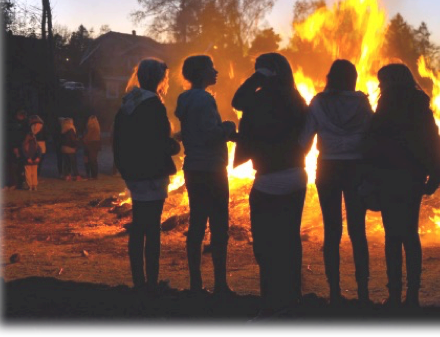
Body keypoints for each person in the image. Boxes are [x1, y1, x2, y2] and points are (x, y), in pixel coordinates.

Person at [232, 53, 310, 327]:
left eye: (259, 69)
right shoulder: (296, 98)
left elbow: (236, 101)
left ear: (266, 73)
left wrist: (256, 78)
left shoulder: (260, 98)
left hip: (269, 180)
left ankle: (271, 305)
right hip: (296, 176)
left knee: (266, 246)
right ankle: (291, 299)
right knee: (289, 240)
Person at [363, 63, 440, 308]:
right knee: (410, 234)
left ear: (389, 82)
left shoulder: (385, 106)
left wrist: (370, 178)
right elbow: (434, 142)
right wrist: (435, 175)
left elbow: (373, 145)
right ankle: (412, 295)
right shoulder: (420, 105)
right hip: (413, 178)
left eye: (382, 81)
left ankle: (395, 293)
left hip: (388, 178)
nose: (379, 86)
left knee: (392, 236)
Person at [299, 59, 374, 305]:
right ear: (353, 77)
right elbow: (372, 133)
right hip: (356, 167)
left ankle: (334, 292)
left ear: (330, 77)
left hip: (328, 167)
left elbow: (305, 139)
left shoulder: (318, 102)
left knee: (332, 231)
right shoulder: (362, 102)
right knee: (357, 231)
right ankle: (363, 291)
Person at [113, 58, 180, 292]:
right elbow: (159, 143)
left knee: (139, 226)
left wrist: (124, 168)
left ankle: (139, 282)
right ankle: (151, 283)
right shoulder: (154, 105)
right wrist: (175, 146)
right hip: (152, 174)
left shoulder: (128, 103)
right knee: (152, 229)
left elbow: (119, 141)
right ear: (159, 79)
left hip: (134, 174)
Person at [175, 55, 237, 296]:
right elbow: (211, 134)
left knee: (197, 224)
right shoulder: (204, 99)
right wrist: (229, 127)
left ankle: (195, 284)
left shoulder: (185, 99)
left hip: (193, 168)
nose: (216, 71)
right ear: (202, 73)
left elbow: (195, 131)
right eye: (212, 68)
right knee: (220, 227)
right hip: (212, 169)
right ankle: (220, 284)